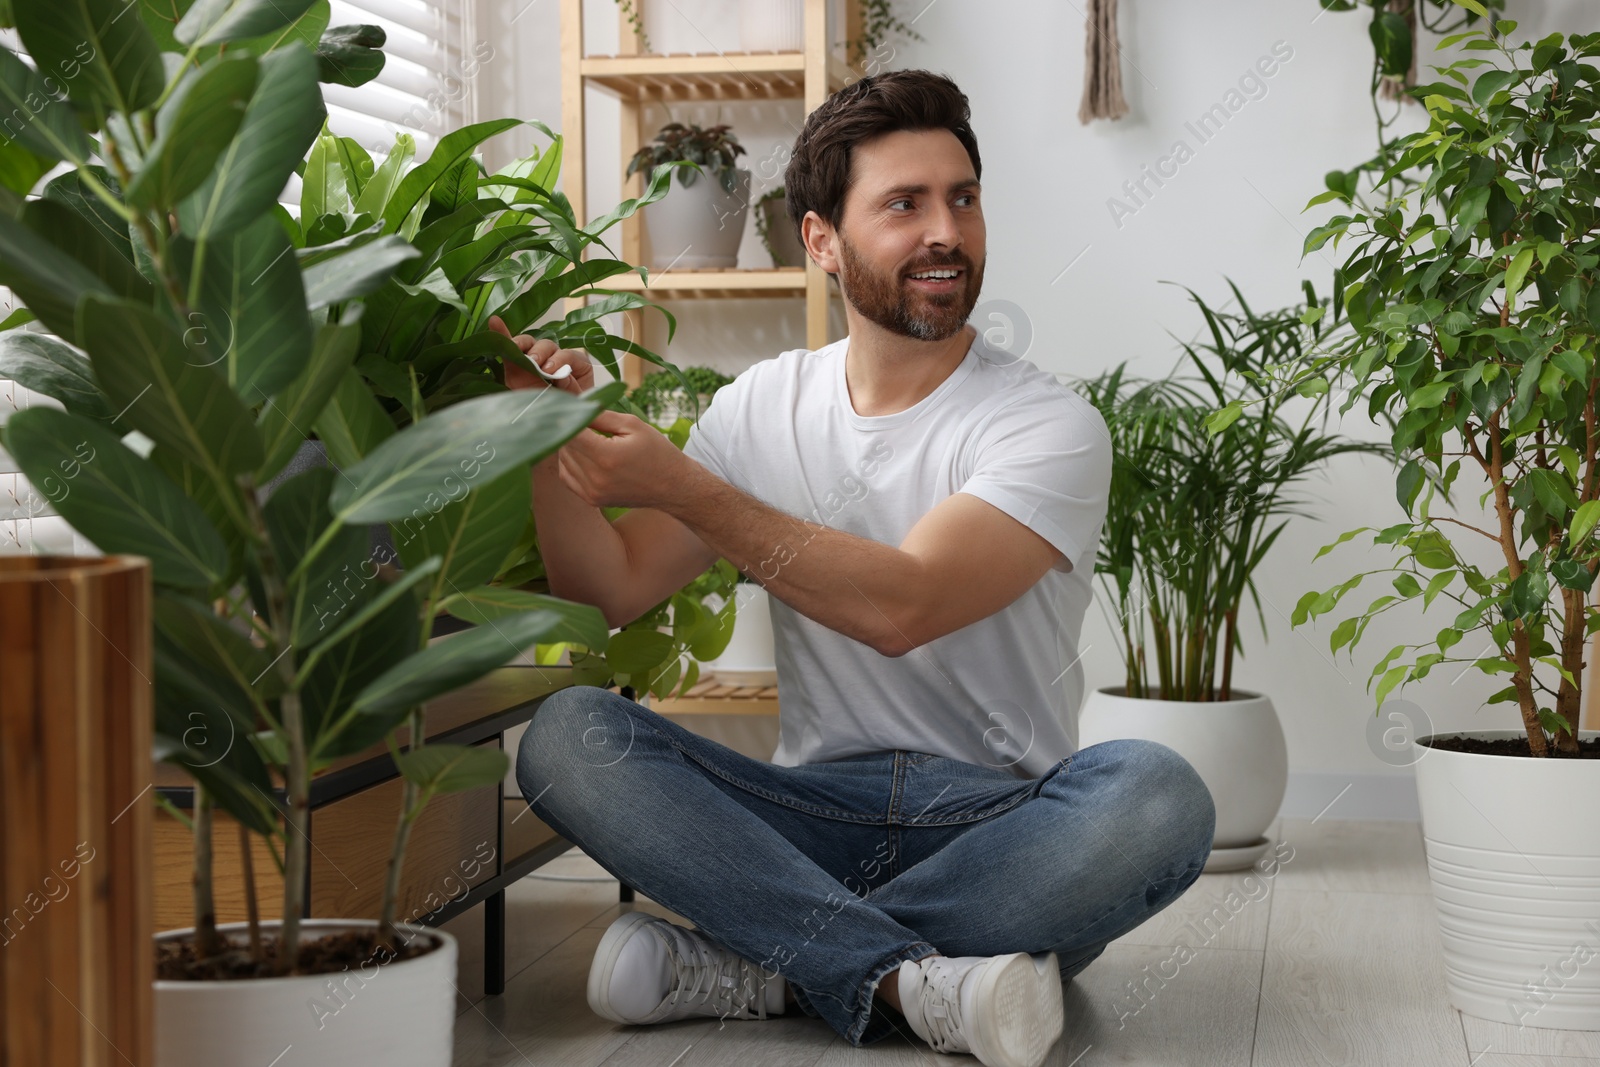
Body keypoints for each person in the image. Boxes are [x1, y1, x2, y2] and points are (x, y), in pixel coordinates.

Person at [495, 68, 1215, 1067]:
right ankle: (908, 976)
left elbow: (901, 604)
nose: (946, 233)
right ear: (821, 238)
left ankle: (779, 962)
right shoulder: (757, 406)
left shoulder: (1045, 424)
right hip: (811, 816)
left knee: (1155, 796)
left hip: (1004, 830)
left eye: (962, 197)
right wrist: (537, 429)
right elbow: (610, 587)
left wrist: (684, 485)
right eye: (904, 204)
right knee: (570, 734)